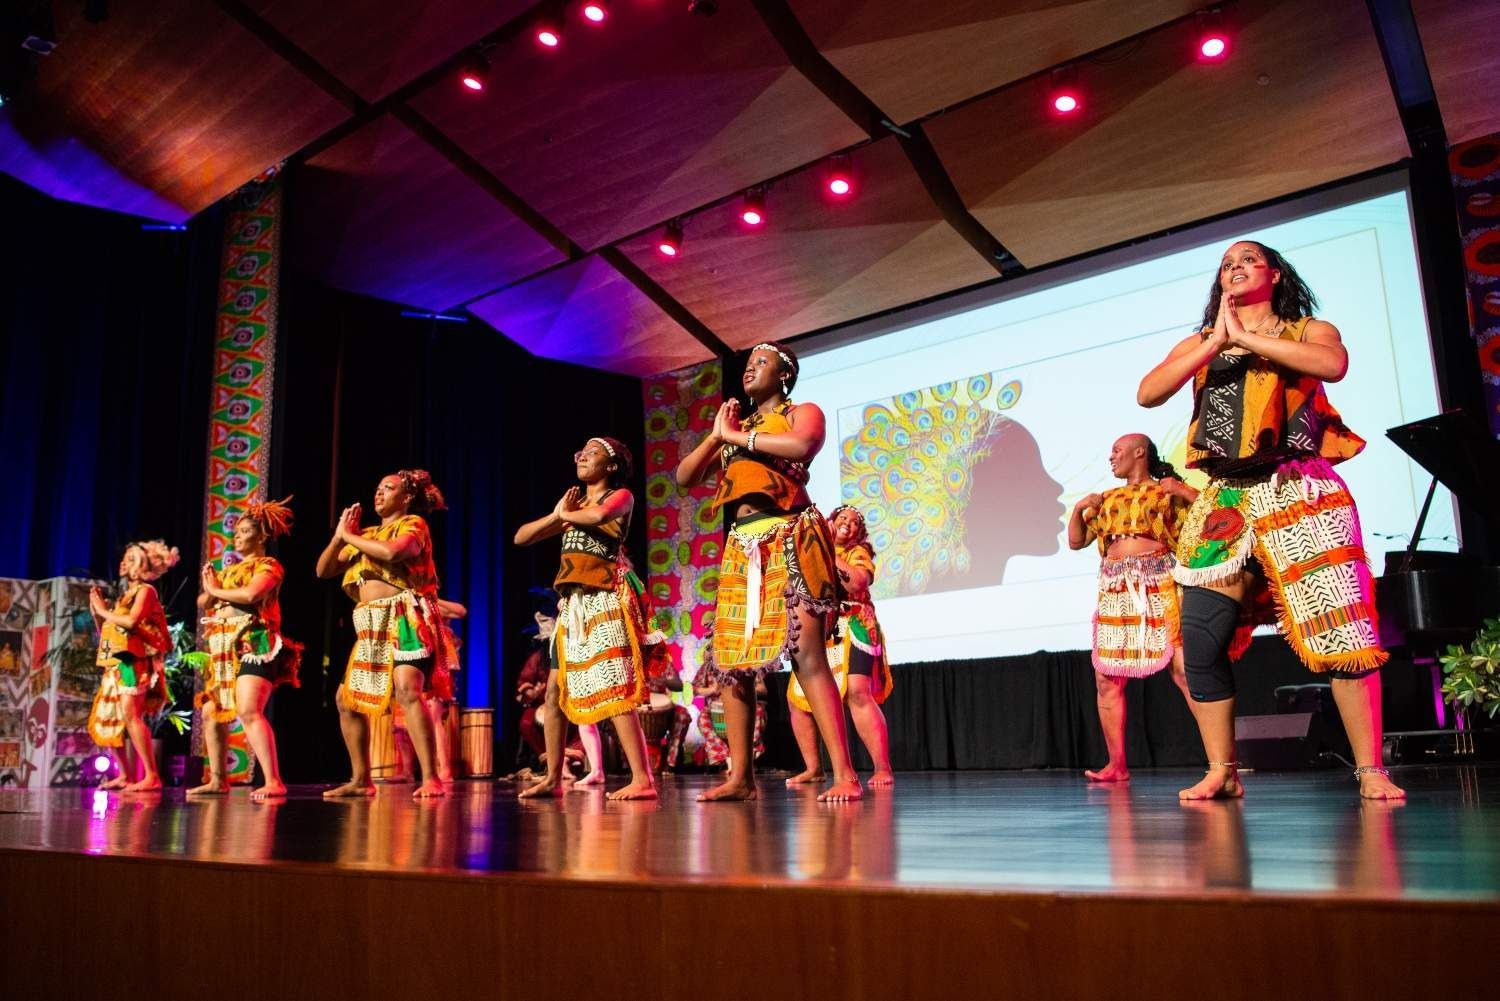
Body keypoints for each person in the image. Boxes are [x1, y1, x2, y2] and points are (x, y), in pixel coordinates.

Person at [1138, 240, 1403, 800]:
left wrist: (1247, 339)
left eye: (1248, 260)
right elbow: (1148, 394)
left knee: (1342, 633)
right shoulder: (1202, 343)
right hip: (1227, 498)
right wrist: (1214, 343)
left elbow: (1334, 365)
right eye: (1226, 264)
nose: (1234, 268)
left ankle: (1371, 770)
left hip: (1300, 488)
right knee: (1200, 641)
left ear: (1275, 275)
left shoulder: (1308, 331)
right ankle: (1221, 770)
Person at [676, 342, 861, 802]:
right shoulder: (736, 427)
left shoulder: (802, 411)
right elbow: (684, 477)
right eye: (747, 364)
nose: (749, 370)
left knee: (807, 656)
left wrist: (736, 438)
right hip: (742, 545)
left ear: (784, 375)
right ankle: (741, 777)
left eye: (761, 363)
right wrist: (720, 435)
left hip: (790, 534)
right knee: (731, 664)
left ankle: (844, 774)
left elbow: (803, 444)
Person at [513, 437, 658, 801]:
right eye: (581, 451)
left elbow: (598, 517)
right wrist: (557, 513)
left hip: (605, 599)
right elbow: (521, 537)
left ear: (611, 466)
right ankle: (552, 777)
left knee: (615, 688)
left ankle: (643, 779)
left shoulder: (620, 496)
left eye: (592, 453)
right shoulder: (572, 510)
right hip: (573, 607)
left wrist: (566, 515)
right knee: (554, 691)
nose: (582, 456)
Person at [316, 469, 454, 799]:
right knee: (345, 700)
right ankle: (361, 780)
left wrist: (351, 538)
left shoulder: (413, 525)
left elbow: (395, 553)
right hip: (370, 624)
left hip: (405, 615)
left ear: (405, 498)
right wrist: (340, 536)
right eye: (377, 488)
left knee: (408, 688)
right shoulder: (366, 534)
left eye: (387, 488)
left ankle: (431, 777)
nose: (378, 493)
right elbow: (323, 570)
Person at [1066, 437, 1197, 782]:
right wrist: (1080, 507)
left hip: (1160, 580)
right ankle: (1117, 765)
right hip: (1116, 587)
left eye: (1117, 451)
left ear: (1140, 452)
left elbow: (1215, 520)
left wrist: (1185, 492)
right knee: (1106, 678)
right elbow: (1077, 541)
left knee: (1185, 671)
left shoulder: (1168, 490)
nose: (1111, 457)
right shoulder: (1107, 498)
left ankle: (1222, 762)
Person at [190, 497, 303, 800]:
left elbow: (252, 594)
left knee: (249, 710)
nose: (236, 536)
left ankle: (274, 781)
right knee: (213, 712)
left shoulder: (269, 566)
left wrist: (215, 590)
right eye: (235, 532)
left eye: (243, 531)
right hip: (225, 650)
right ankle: (218, 779)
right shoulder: (230, 572)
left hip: (255, 643)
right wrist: (212, 587)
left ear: (261, 535)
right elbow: (203, 602)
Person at [786, 505, 895, 788]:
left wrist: (827, 551)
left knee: (858, 693)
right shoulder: (807, 551)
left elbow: (857, 582)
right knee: (797, 699)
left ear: (860, 533)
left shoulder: (857, 554)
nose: (848, 523)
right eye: (842, 518)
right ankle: (814, 768)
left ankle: (883, 768)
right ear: (831, 521)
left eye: (855, 522)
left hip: (855, 624)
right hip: (821, 630)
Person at [87, 540, 179, 793]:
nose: (122, 563)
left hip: (134, 662)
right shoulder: (123, 598)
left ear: (140, 566)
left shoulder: (146, 591)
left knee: (130, 714)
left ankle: (151, 775)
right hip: (116, 662)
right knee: (108, 717)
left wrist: (104, 611)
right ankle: (125, 775)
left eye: (129, 558)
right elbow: (109, 633)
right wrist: (98, 614)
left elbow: (131, 621)